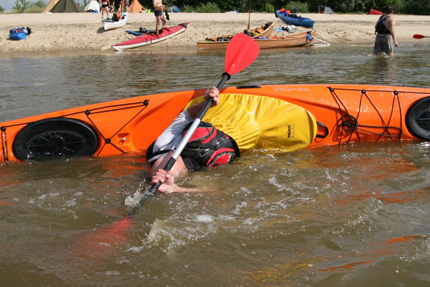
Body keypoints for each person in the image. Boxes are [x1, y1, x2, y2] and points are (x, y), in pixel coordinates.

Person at [146, 87, 240, 194]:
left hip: (170, 167)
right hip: (171, 169)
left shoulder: (168, 142)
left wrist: (176, 189)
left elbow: (186, 116)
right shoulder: (168, 146)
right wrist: (208, 103)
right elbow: (221, 191)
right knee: (170, 161)